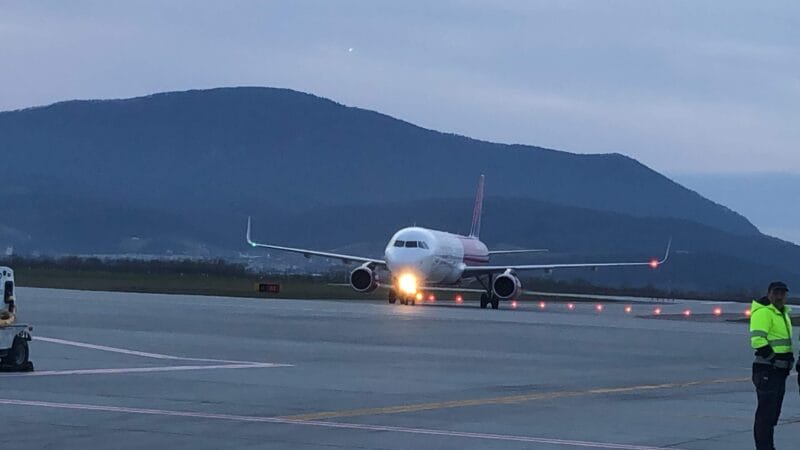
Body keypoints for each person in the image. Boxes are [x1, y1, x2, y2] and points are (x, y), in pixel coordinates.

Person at [750, 281, 793, 450]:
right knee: (766, 415)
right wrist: (774, 360)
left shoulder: (782, 313)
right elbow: (758, 340)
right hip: (768, 370)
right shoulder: (764, 313)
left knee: (773, 413)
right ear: (769, 294)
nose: (780, 296)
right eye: (776, 293)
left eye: (782, 293)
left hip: (779, 371)